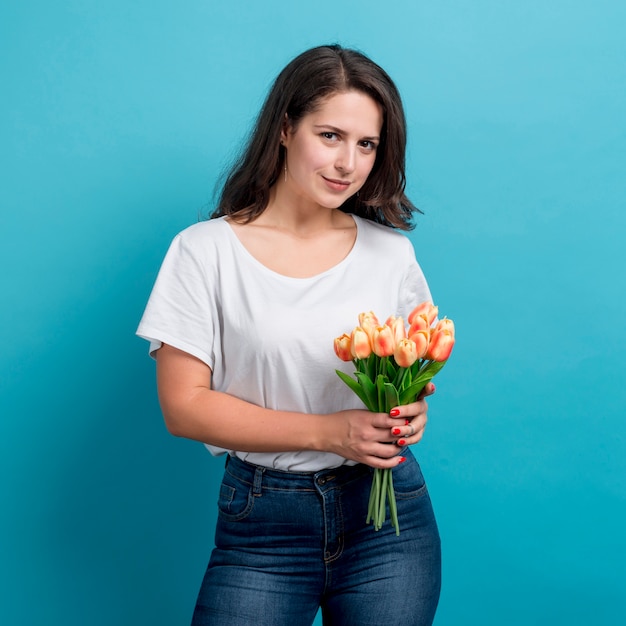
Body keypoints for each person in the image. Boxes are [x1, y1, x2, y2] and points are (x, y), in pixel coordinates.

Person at [137, 44, 441, 626]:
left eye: (367, 144)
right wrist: (330, 433)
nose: (348, 163)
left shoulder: (391, 255)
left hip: (388, 518)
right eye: (330, 135)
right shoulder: (204, 252)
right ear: (284, 128)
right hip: (264, 525)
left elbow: (413, 370)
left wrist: (411, 410)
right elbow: (183, 407)